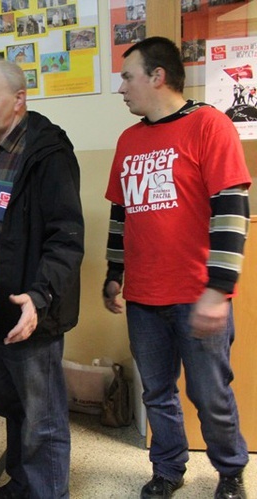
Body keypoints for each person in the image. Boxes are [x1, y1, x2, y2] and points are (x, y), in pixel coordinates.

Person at [103, 37, 250, 499]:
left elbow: (231, 209)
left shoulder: (210, 125)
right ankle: (168, 468)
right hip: (144, 296)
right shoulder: (129, 139)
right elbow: (120, 214)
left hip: (196, 293)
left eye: (128, 76)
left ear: (157, 76)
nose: (122, 88)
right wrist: (114, 273)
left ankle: (229, 472)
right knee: (157, 393)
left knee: (210, 396)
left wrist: (218, 288)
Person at [0, 59, 84, 498]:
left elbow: (66, 238)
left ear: (20, 99)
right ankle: (23, 484)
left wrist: (39, 295)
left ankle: (49, 491)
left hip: (30, 309)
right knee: (12, 407)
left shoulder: (47, 153)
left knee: (42, 416)